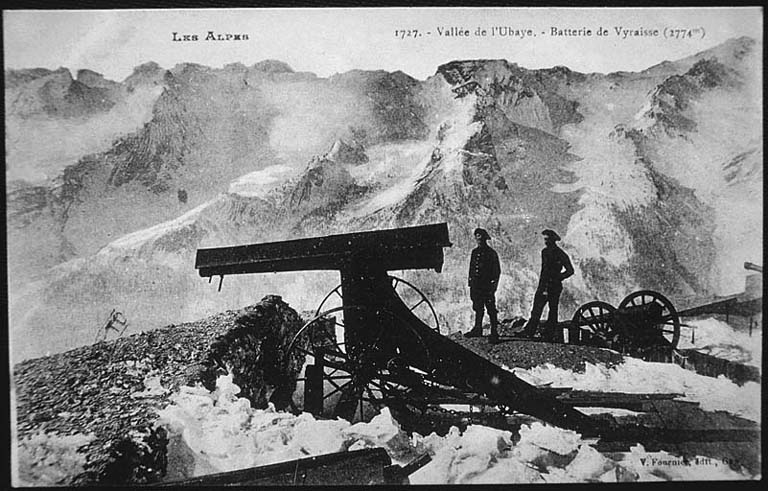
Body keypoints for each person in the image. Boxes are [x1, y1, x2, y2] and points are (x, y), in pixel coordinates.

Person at [518, 229, 574, 340]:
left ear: (553, 240)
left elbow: (570, 270)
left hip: (554, 286)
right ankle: (530, 332)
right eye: (545, 239)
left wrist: (558, 278)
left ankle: (548, 335)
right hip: (544, 285)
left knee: (552, 311)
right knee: (537, 309)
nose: (545, 241)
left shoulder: (560, 253)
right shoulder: (544, 252)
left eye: (547, 239)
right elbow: (544, 271)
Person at [464, 228, 501, 344]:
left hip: (486, 286)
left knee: (491, 308)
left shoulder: (491, 253)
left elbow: (496, 271)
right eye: (477, 237)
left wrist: (493, 286)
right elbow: (471, 269)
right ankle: (477, 328)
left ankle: (494, 332)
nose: (478, 239)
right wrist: (471, 284)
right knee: (478, 307)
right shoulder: (474, 252)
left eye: (480, 237)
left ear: (485, 238)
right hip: (476, 285)